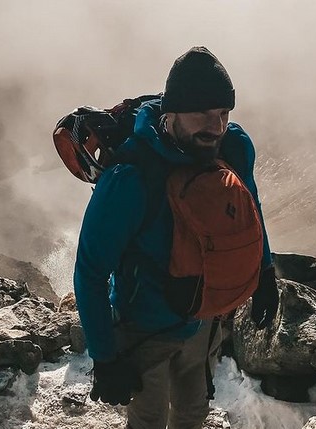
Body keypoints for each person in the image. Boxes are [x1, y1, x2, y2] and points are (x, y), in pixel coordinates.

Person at [74, 46, 279, 429]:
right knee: (148, 419)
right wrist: (105, 359)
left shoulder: (233, 148)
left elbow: (251, 210)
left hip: (204, 316)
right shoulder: (131, 177)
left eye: (222, 113)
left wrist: (265, 271)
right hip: (144, 329)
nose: (215, 126)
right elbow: (90, 272)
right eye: (202, 113)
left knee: (192, 413)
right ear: (171, 112)